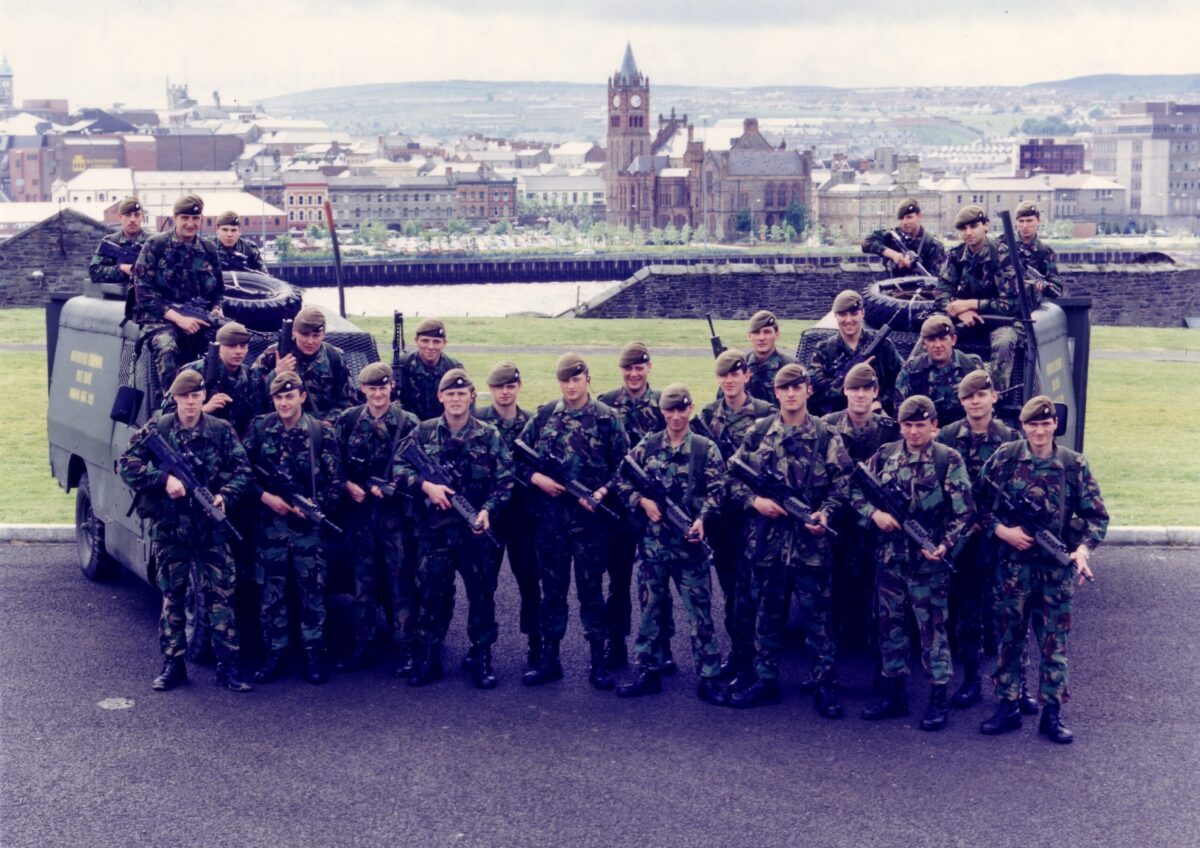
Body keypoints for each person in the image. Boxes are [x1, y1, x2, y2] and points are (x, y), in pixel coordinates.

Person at [978, 396, 1107, 744]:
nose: (1039, 430)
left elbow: (1097, 517)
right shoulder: (1005, 459)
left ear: (1054, 426)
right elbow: (976, 504)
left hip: (1054, 572)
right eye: (1033, 424)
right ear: (1024, 426)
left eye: (1045, 424)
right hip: (1012, 570)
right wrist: (1003, 531)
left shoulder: (1072, 465)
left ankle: (1052, 714)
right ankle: (1007, 706)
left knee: (1054, 645)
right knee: (1008, 640)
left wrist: (1082, 550)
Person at [727, 364, 852, 717]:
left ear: (808, 391)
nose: (792, 393)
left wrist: (826, 513)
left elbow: (843, 483)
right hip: (767, 541)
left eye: (798, 387)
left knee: (818, 616)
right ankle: (765, 679)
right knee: (766, 614)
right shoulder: (759, 432)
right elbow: (732, 478)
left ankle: (824, 682)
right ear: (777, 393)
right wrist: (756, 502)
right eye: (785, 388)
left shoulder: (827, 436)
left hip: (811, 545)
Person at [117, 368, 253, 693]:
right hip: (172, 529)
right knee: (172, 597)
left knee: (221, 596)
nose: (191, 403)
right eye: (184, 397)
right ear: (175, 398)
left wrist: (225, 495)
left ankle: (228, 667)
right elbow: (126, 463)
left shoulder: (221, 431)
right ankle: (173, 665)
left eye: (196, 396)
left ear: (203, 397)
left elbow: (243, 470)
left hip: (211, 530)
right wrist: (164, 480)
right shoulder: (159, 429)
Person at [855, 395, 975, 732]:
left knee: (933, 633)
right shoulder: (886, 455)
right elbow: (855, 490)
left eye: (920, 425)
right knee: (889, 628)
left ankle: (938, 699)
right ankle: (894, 695)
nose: (913, 431)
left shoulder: (947, 460)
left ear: (934, 426)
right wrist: (874, 514)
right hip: (891, 561)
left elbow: (965, 513)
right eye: (907, 425)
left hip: (929, 564)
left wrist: (945, 545)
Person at [394, 369, 514, 688]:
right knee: (433, 594)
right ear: (440, 397)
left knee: (482, 595)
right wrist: (425, 486)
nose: (456, 399)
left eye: (462, 394)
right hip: (435, 533)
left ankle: (482, 657)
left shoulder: (489, 435)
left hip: (474, 531)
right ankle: (430, 657)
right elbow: (399, 468)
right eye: (450, 393)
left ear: (471, 397)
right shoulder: (423, 432)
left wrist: (489, 510)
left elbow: (505, 482)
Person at [519, 353, 629, 690]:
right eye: (565, 380)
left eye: (576, 379)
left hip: (591, 526)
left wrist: (600, 493)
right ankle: (550, 660)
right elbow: (517, 460)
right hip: (550, 523)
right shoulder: (543, 417)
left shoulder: (608, 420)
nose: (570, 386)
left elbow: (625, 469)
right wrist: (538, 479)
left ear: (587, 379)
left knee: (591, 592)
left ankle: (598, 661)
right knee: (551, 593)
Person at [615, 384, 727, 705]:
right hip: (653, 548)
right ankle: (647, 671)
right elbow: (621, 480)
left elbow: (719, 490)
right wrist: (643, 502)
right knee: (650, 610)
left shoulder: (705, 449)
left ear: (690, 409)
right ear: (662, 412)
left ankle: (709, 676)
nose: (676, 417)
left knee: (700, 614)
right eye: (670, 410)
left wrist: (703, 519)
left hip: (690, 548)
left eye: (681, 410)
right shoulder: (648, 448)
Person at [243, 371, 344, 685]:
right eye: (278, 397)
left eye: (290, 396)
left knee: (311, 591)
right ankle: (275, 653)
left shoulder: (320, 433)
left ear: (302, 396)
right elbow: (241, 471)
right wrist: (266, 497)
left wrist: (312, 508)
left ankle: (313, 652)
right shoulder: (260, 428)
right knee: (271, 593)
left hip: (306, 530)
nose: (284, 402)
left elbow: (335, 483)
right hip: (270, 525)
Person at [934, 370, 1020, 710]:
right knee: (967, 613)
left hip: (1002, 539)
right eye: (968, 397)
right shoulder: (946, 438)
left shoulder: (1011, 439)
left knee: (1008, 614)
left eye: (981, 395)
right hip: (965, 541)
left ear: (993, 397)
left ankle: (1014, 685)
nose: (975, 401)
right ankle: (971, 680)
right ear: (961, 401)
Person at [692, 349, 775, 679]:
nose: (729, 381)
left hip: (753, 516)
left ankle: (758, 656)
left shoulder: (766, 414)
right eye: (723, 376)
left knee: (755, 589)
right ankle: (739, 652)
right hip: (721, 517)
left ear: (746, 376)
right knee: (730, 586)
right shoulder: (708, 414)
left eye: (734, 375)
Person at [333, 362, 420, 674]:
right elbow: (334, 460)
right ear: (363, 390)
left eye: (383, 388)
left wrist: (395, 487)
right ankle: (363, 644)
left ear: (391, 388)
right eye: (372, 388)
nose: (379, 393)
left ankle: (406, 647)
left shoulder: (407, 422)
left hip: (394, 517)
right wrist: (347, 486)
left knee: (399, 582)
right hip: (360, 516)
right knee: (363, 582)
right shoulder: (349, 420)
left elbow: (420, 466)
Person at [821, 362, 899, 668]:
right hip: (840, 516)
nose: (860, 395)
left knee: (877, 580)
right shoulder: (827, 427)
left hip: (877, 519)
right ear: (845, 391)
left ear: (876, 393)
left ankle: (876, 645)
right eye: (854, 389)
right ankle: (839, 642)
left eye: (867, 389)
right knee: (835, 579)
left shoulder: (889, 429)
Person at [597, 341, 667, 672]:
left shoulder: (664, 404)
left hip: (656, 507)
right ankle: (617, 641)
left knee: (659, 579)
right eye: (628, 368)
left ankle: (662, 644)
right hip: (620, 508)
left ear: (649, 367)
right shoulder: (606, 405)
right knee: (620, 579)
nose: (634, 374)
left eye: (640, 367)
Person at [475, 360, 542, 669]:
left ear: (519, 388)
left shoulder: (532, 423)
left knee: (529, 580)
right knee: (484, 582)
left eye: (510, 386)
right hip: (490, 516)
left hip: (523, 517)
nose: (505, 392)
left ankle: (535, 642)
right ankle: (480, 645)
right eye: (499, 387)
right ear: (490, 390)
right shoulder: (477, 421)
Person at [132, 194, 224, 392]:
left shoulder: (209, 249)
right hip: (160, 318)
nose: (190, 224)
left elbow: (218, 291)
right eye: (185, 218)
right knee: (168, 349)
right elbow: (143, 293)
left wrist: (217, 308)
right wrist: (179, 319)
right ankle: (173, 405)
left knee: (229, 341)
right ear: (175, 218)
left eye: (195, 218)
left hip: (198, 318)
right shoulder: (156, 245)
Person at [934, 205, 1023, 395]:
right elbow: (941, 295)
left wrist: (971, 304)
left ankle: (997, 398)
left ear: (986, 226)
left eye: (973, 226)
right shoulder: (955, 256)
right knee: (933, 333)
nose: (968, 233)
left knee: (1004, 342)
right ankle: (929, 392)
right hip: (966, 319)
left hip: (1000, 322)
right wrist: (962, 311)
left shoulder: (1003, 256)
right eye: (963, 229)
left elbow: (1011, 305)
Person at [250, 305, 356, 422]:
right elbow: (251, 396)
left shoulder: (334, 356)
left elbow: (348, 401)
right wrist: (275, 374)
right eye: (305, 335)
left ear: (324, 334)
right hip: (280, 428)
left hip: (322, 428)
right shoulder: (273, 355)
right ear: (294, 331)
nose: (310, 341)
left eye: (316, 336)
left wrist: (328, 423)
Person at [808, 289, 904, 416]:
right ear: (835, 315)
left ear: (862, 313)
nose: (848, 320)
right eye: (843, 314)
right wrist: (848, 379)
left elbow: (901, 381)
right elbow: (816, 388)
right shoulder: (824, 349)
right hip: (834, 418)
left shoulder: (883, 347)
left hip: (876, 417)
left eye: (854, 313)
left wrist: (879, 400)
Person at [162, 321, 259, 437]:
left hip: (235, 444)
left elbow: (257, 414)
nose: (238, 351)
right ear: (219, 347)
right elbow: (167, 414)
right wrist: (203, 409)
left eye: (243, 346)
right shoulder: (193, 371)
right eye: (232, 346)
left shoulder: (248, 375)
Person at [896, 314, 984, 425]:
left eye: (943, 339)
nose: (938, 345)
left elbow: (984, 408)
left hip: (961, 431)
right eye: (932, 340)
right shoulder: (912, 368)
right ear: (923, 344)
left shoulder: (972, 365)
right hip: (923, 430)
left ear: (953, 340)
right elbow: (900, 410)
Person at [393, 318, 464, 423]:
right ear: (416, 341)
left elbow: (466, 404)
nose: (430, 347)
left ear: (444, 343)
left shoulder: (453, 368)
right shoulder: (402, 366)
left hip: (443, 429)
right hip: (408, 429)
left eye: (436, 342)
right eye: (425, 341)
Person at [861, 197, 946, 278]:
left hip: (922, 291)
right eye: (901, 218)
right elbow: (867, 243)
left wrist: (912, 268)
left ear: (919, 216)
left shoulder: (934, 245)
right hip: (892, 289)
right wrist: (893, 254)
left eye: (909, 217)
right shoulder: (892, 236)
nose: (904, 222)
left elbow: (935, 279)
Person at [88, 196, 147, 288]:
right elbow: (94, 273)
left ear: (142, 216)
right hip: (115, 298)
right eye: (128, 215)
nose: (132, 220)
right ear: (120, 217)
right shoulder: (111, 242)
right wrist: (122, 269)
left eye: (137, 215)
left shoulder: (154, 242)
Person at [1013, 200, 1064, 302]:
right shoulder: (1003, 245)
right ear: (1016, 222)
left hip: (1031, 304)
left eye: (1029, 221)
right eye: (1021, 221)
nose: (1025, 226)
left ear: (1038, 220)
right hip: (1005, 303)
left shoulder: (1045, 251)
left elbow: (1057, 289)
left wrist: (1043, 286)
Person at [745, 310, 793, 406]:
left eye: (767, 332)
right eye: (756, 332)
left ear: (777, 334)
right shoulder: (741, 366)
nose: (761, 338)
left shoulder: (790, 365)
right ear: (749, 335)